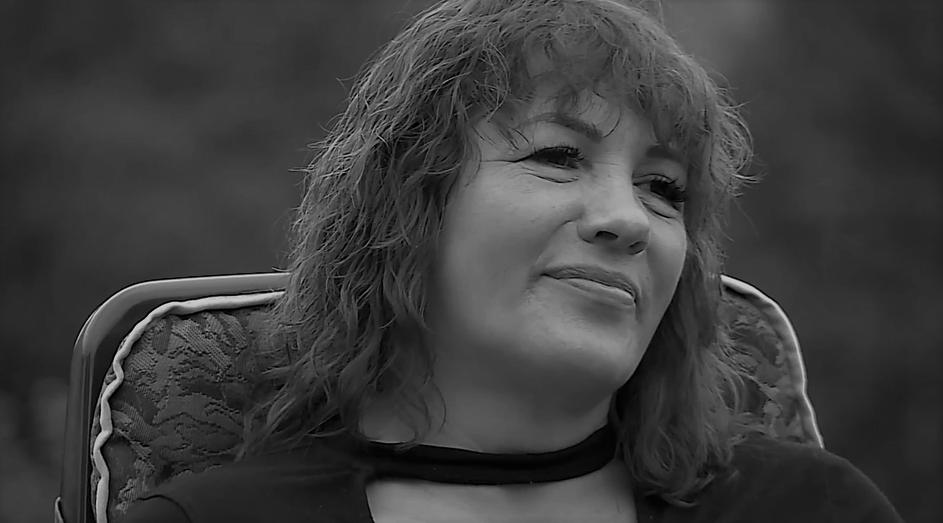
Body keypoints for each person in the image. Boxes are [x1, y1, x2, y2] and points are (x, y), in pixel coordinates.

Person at [122, 0, 902, 521]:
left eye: (664, 188)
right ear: (406, 206)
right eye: (558, 156)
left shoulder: (812, 507)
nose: (628, 218)